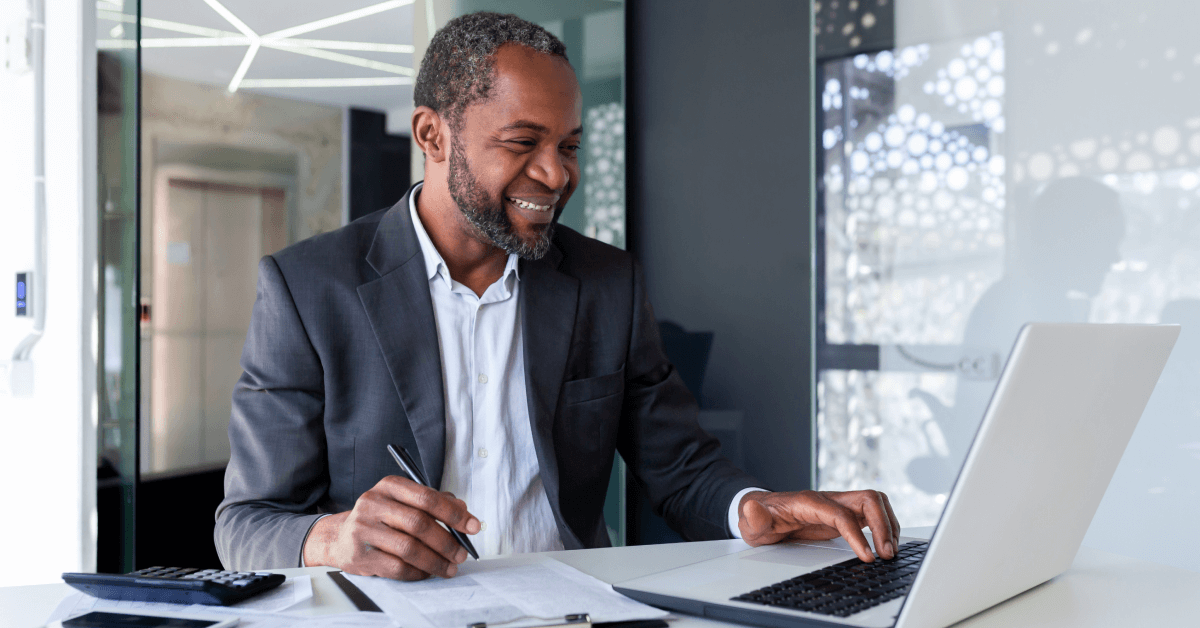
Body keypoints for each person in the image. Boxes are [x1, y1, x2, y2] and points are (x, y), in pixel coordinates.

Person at [215, 11, 900, 581]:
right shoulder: (309, 288)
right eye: (523, 142)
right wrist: (335, 540)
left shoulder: (607, 283)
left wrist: (753, 506)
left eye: (569, 145)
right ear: (432, 134)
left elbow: (681, 467)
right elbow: (246, 523)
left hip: (574, 613)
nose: (555, 173)